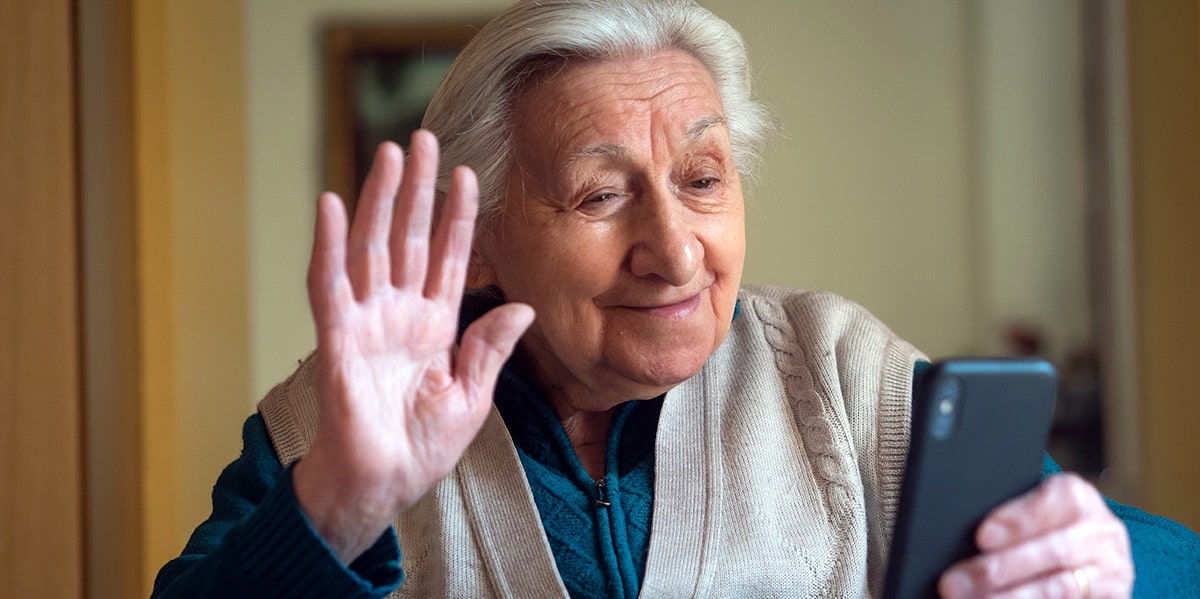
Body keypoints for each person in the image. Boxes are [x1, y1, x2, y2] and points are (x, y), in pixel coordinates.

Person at [151, 1, 1199, 597]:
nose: (673, 248)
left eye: (702, 179)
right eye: (602, 194)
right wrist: (338, 503)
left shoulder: (843, 371)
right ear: (479, 243)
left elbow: (1161, 562)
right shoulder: (329, 423)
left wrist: (1109, 560)